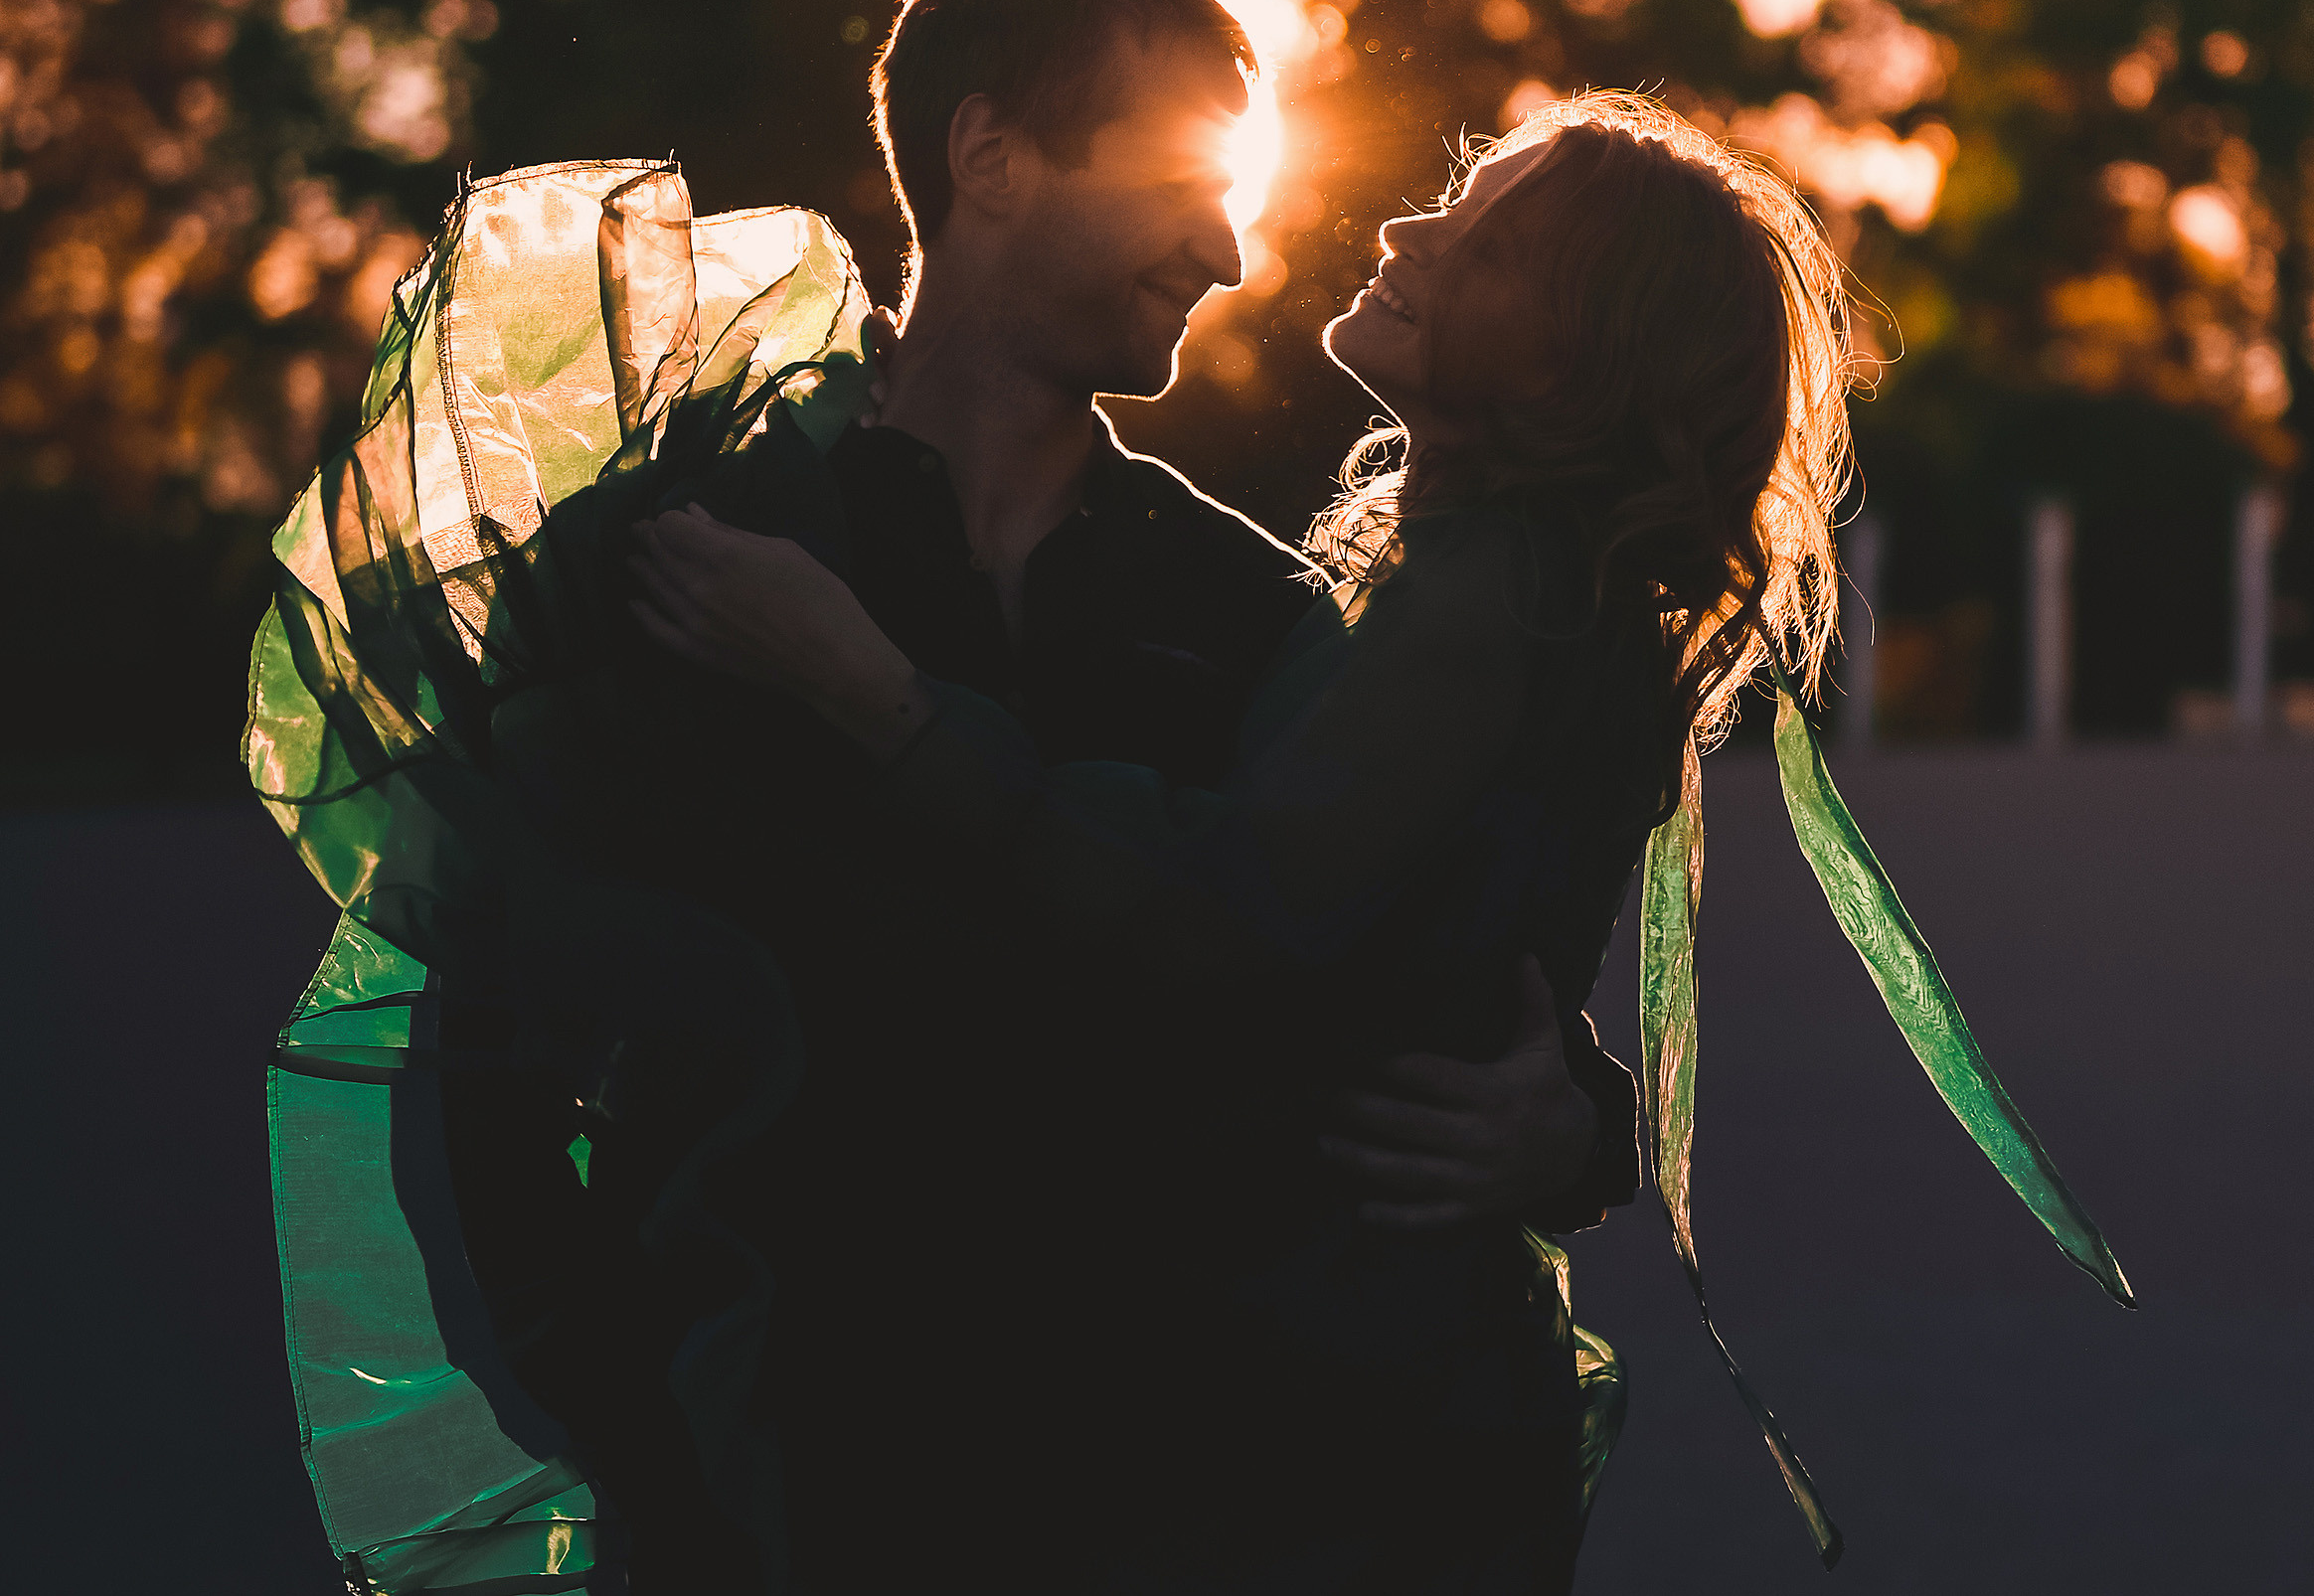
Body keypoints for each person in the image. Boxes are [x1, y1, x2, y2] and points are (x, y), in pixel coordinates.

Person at [252, 0, 1644, 1594]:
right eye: (1187, 177)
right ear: (988, 156)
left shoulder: (1243, 609)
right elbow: (484, 1046)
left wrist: (1576, 1127)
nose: (1228, 247)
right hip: (787, 1499)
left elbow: (1369, 945)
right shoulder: (682, 552)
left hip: (1175, 1505)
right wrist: (655, 1447)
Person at [625, 80, 1859, 1589]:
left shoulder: (1350, 599)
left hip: (1290, 1423)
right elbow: (1423, 947)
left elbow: (1241, 925)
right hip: (977, 1377)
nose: (1403, 227)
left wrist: (870, 693)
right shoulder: (752, 512)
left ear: (1580, 348)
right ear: (983, 158)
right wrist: (1579, 1124)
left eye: (1485, 241)